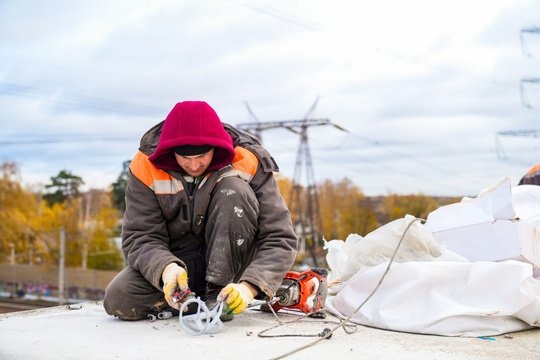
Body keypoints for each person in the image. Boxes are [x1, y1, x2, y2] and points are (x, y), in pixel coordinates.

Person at [103, 100, 298, 321]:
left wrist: (249, 287)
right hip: (180, 264)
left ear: (216, 148)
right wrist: (166, 269)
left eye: (202, 156)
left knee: (232, 191)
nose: (194, 166)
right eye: (185, 158)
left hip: (236, 263)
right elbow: (140, 236)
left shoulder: (248, 160)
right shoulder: (145, 166)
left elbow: (280, 237)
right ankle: (193, 301)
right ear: (170, 152)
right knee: (119, 299)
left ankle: (220, 295)